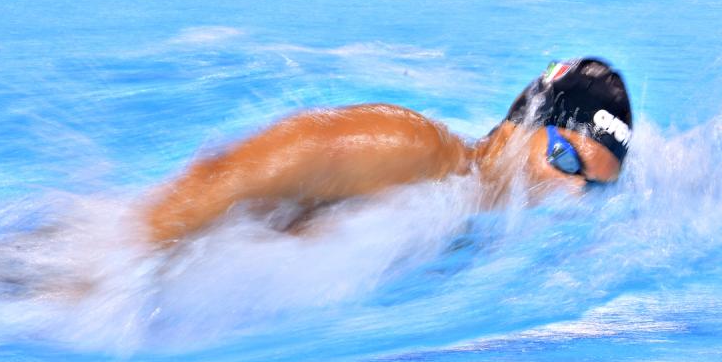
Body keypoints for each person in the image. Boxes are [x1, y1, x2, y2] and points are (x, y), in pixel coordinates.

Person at [144, 57, 633, 244]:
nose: (571, 192)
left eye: (591, 188)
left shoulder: (471, 224)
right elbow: (228, 175)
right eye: (566, 159)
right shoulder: (412, 149)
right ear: (522, 124)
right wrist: (119, 266)